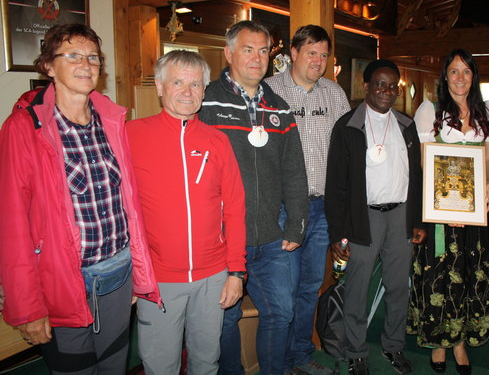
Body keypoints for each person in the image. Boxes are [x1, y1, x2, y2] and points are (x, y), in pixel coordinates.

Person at [0, 23, 160, 374]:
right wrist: (28, 306)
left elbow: (129, 206)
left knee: (114, 367)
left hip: (117, 274)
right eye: (72, 55)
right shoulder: (24, 129)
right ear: (48, 66)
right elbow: (11, 225)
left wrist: (138, 273)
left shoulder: (112, 120)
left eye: (93, 57)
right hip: (63, 282)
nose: (85, 64)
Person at [199, 20, 308, 375]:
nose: (257, 58)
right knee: (225, 321)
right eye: (248, 49)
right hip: (223, 238)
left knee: (282, 312)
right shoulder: (204, 102)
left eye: (264, 50)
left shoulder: (279, 107)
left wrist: (296, 224)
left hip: (272, 237)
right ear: (228, 53)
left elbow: (294, 171)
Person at [126, 50, 246, 374]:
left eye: (196, 84)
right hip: (158, 280)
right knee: (159, 364)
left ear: (204, 91)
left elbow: (234, 208)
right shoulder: (131, 136)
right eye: (178, 82)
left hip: (212, 276)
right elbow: (119, 208)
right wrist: (131, 274)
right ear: (160, 87)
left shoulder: (218, 141)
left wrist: (236, 272)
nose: (187, 91)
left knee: (206, 361)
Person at [325, 59, 425, 375]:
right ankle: (356, 351)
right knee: (357, 288)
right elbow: (336, 186)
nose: (386, 91)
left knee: (398, 288)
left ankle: (393, 346)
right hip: (362, 218)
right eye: (379, 84)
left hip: (399, 217)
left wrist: (418, 221)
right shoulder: (347, 126)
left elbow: (417, 177)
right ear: (367, 86)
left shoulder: (407, 125)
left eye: (392, 85)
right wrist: (338, 234)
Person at [265, 24, 351, 375]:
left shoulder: (335, 94)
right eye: (311, 52)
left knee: (310, 287)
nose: (318, 60)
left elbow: (348, 151)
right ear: (293, 54)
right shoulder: (268, 92)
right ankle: (278, 360)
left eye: (323, 54)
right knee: (283, 292)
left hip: (324, 207)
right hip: (284, 209)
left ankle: (299, 356)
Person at [408, 49, 489, 375]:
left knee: (468, 272)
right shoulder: (428, 110)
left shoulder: (486, 111)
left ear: (474, 76)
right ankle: (439, 342)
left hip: (473, 209)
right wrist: (444, 206)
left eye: (466, 71)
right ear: (445, 77)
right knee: (439, 274)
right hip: (440, 207)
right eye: (454, 71)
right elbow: (423, 163)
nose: (460, 78)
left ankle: (459, 341)